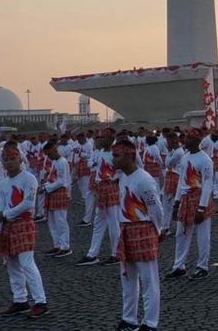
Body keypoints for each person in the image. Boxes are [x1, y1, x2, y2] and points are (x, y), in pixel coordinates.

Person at [112, 138, 167, 331]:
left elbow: (156, 209)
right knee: (127, 278)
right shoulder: (123, 177)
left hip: (143, 229)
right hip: (126, 229)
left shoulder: (144, 179)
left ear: (128, 155)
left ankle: (150, 322)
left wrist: (157, 230)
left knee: (148, 280)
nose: (113, 160)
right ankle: (129, 319)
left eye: (116, 155)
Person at [0, 144, 49, 319]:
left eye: (12, 159)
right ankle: (20, 300)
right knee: (12, 264)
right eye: (6, 160)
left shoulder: (29, 178)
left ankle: (41, 301)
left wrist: (5, 214)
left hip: (23, 224)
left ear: (20, 159)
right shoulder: (2, 183)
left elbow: (28, 204)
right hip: (7, 226)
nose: (9, 163)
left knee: (26, 263)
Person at [167, 130, 217, 280]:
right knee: (181, 233)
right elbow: (181, 181)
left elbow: (207, 184)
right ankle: (179, 266)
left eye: (188, 138)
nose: (185, 140)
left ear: (196, 141)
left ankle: (202, 266)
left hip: (200, 198)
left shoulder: (206, 160)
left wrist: (201, 208)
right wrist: (176, 203)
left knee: (202, 235)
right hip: (186, 198)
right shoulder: (185, 158)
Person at [78, 130, 120, 266]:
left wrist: (114, 182)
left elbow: (122, 172)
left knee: (113, 223)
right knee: (98, 222)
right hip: (102, 189)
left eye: (102, 138)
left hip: (112, 189)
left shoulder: (115, 154)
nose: (99, 140)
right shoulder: (101, 153)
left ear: (109, 139)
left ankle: (116, 253)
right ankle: (92, 254)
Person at [42, 139, 72, 257]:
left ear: (55, 150)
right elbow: (52, 178)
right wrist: (45, 186)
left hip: (59, 192)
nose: (48, 157)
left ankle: (65, 246)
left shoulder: (62, 162)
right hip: (52, 192)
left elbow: (61, 181)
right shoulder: (55, 161)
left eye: (49, 154)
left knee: (60, 221)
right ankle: (57, 245)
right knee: (52, 221)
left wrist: (46, 188)